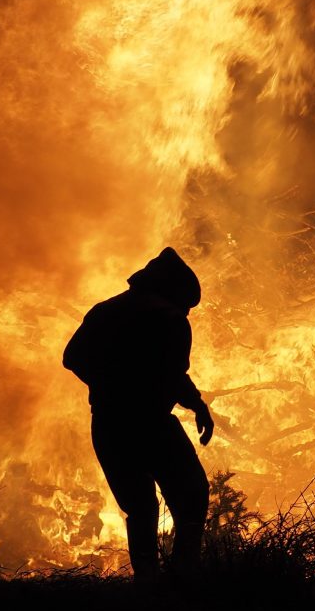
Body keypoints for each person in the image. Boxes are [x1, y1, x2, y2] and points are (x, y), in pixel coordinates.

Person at [63, 247, 214, 579]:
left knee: (140, 508)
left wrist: (107, 383)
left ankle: (148, 582)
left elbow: (72, 358)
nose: (187, 313)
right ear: (175, 293)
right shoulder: (170, 320)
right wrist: (197, 405)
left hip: (108, 424)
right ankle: (183, 576)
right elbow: (173, 375)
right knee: (191, 495)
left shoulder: (104, 311)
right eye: (187, 306)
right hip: (152, 425)